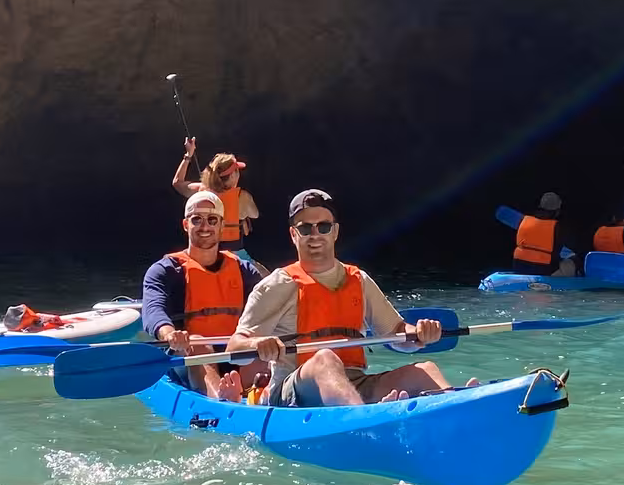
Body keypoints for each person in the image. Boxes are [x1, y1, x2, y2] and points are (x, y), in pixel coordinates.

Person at [227, 189, 464, 407]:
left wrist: (418, 334)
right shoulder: (277, 285)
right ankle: (364, 426)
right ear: (293, 234)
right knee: (325, 360)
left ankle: (457, 409)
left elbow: (397, 334)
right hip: (292, 391)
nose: (315, 235)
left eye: (323, 227)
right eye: (305, 228)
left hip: (354, 383)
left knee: (424, 369)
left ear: (335, 231)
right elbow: (235, 346)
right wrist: (256, 344)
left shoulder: (359, 280)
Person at [140, 189, 269, 398]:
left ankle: (256, 396)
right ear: (185, 225)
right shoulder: (165, 270)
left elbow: (270, 307)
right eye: (197, 219)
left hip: (235, 351)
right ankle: (220, 398)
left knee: (260, 345)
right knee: (199, 343)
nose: (205, 226)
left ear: (221, 226)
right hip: (188, 356)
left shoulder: (245, 270)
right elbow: (153, 310)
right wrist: (169, 334)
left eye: (212, 220)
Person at [171, 142, 261, 263]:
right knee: (265, 277)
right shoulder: (243, 197)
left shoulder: (200, 190)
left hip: (205, 252)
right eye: (237, 171)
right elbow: (255, 214)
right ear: (233, 175)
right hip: (234, 254)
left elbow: (177, 183)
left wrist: (188, 155)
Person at [511, 191, 574, 277]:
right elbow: (567, 248)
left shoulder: (523, 220)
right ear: (557, 211)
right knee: (572, 261)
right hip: (544, 271)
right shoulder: (557, 227)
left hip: (519, 268)